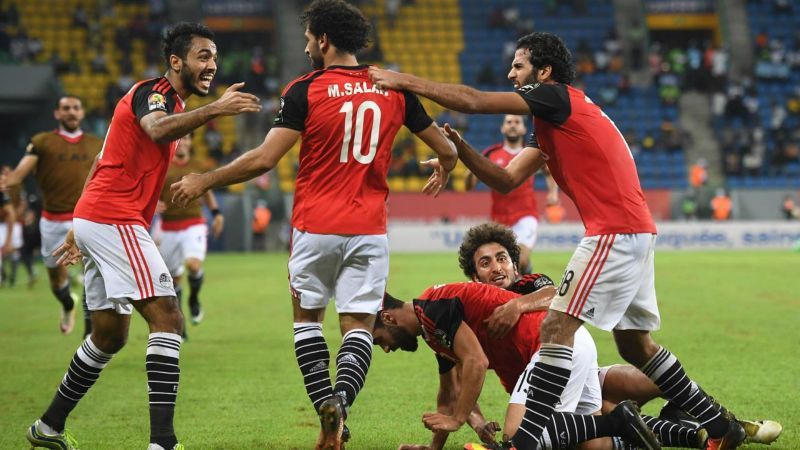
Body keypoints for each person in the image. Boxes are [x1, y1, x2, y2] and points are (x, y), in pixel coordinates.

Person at [370, 31, 745, 450]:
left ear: (543, 72)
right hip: (635, 230)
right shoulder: (554, 118)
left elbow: (474, 100)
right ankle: (718, 424)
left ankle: (524, 442)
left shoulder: (555, 97)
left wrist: (405, 81)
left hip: (613, 231)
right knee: (635, 344)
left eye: (518, 66)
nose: (511, 74)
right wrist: (460, 145)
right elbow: (506, 179)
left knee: (555, 326)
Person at [168, 2, 457, 448]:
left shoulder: (306, 88)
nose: (305, 46)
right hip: (369, 230)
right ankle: (342, 399)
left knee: (307, 321)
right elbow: (446, 148)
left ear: (323, 40)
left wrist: (205, 178)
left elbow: (265, 159)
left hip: (315, 226)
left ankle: (327, 405)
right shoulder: (394, 87)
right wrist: (445, 165)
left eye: (308, 39)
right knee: (359, 326)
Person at [25, 22, 261, 450]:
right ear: (177, 62)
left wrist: (80, 225)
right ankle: (163, 443)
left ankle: (48, 427)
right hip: (115, 217)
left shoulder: (164, 103)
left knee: (109, 335)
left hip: (99, 216)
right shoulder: (153, 94)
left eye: (214, 57)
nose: (212, 65)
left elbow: (101, 159)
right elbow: (156, 129)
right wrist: (216, 109)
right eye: (202, 57)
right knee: (168, 317)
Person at [457, 223, 782, 449]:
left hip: (569, 365)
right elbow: (458, 372)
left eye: (502, 258)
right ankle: (694, 433)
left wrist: (516, 306)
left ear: (516, 266)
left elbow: (557, 293)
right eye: (485, 263)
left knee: (655, 380)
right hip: (546, 392)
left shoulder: (529, 285)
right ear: (474, 276)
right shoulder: (472, 318)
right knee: (593, 433)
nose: (497, 267)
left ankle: (730, 422)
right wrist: (475, 420)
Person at [374, 284, 660, 450]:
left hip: (552, 344)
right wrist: (433, 448)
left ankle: (618, 421)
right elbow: (448, 395)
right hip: (571, 342)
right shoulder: (432, 330)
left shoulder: (433, 309)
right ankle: (677, 431)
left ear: (387, 317)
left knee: (519, 435)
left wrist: (459, 419)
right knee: (591, 445)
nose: (386, 348)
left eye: (379, 340)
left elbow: (476, 361)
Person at [1, 96, 102, 335]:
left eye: (76, 108)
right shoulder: (42, 142)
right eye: (65, 108)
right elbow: (17, 176)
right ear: (57, 114)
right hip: (52, 222)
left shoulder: (97, 144)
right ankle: (68, 304)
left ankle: (90, 338)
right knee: (57, 283)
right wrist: (10, 186)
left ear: (82, 113)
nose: (71, 112)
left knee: (92, 277)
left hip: (88, 220)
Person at [464, 114, 558, 273]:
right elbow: (469, 186)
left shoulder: (532, 153)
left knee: (518, 260)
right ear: (503, 128)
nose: (513, 125)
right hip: (498, 219)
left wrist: (553, 193)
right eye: (509, 122)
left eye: (517, 122)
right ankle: (525, 277)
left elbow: (549, 172)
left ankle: (525, 271)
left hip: (525, 215)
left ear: (524, 128)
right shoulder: (490, 153)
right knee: (500, 266)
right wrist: (470, 166)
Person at [157, 134, 224, 335]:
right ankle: (180, 322)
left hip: (193, 223)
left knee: (193, 265)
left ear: (191, 142)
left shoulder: (197, 165)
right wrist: (150, 205)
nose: (183, 142)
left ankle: (194, 298)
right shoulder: (162, 164)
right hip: (168, 226)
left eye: (186, 139)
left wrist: (216, 213)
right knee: (171, 279)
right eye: (179, 139)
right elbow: (148, 189)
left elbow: (208, 191)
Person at [0, 189, 16, 285]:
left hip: (3, 225)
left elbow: (10, 212)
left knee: (11, 251)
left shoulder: (2, 194)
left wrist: (9, 240)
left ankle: (9, 276)